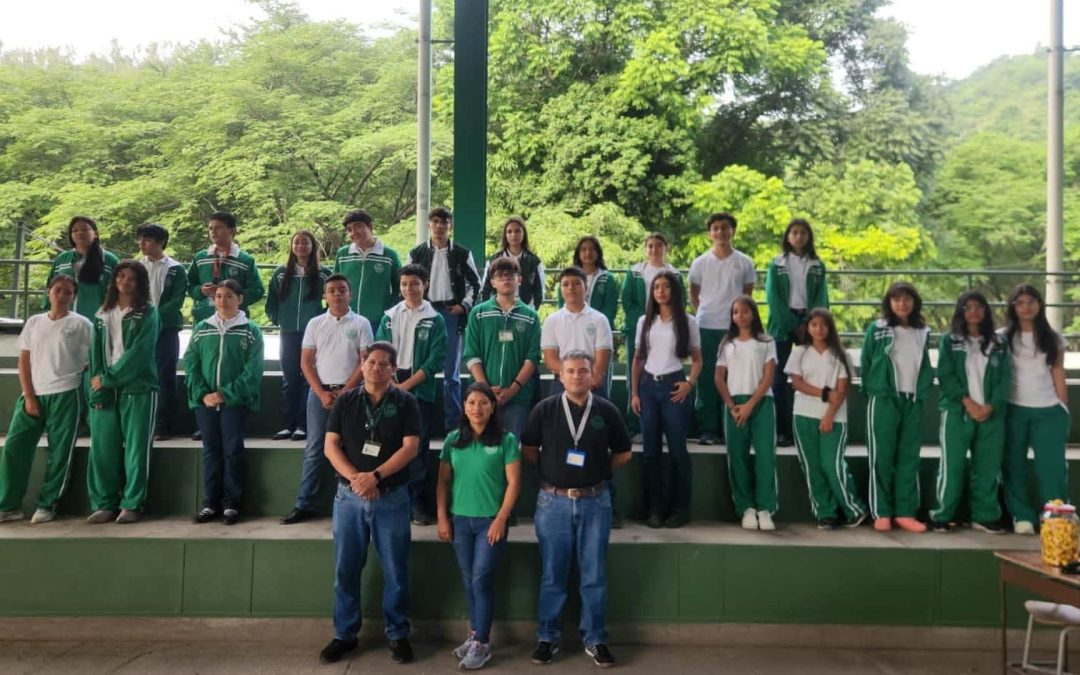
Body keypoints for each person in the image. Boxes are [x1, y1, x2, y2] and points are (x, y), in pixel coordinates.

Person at [521, 351, 631, 668]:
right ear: (560, 376)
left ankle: (595, 639)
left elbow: (623, 454)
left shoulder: (607, 411)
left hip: (595, 501)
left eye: (583, 371)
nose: (577, 376)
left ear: (593, 375)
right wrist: (554, 472)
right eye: (570, 371)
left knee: (594, 575)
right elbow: (529, 449)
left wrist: (597, 473)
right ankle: (547, 637)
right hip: (552, 502)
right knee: (552, 573)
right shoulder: (545, 409)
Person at [318, 342, 421, 666]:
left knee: (396, 570)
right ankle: (345, 634)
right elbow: (330, 446)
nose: (376, 368)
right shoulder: (346, 401)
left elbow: (411, 448)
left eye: (383, 364)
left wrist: (374, 476)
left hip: (391, 497)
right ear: (362, 365)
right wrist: (356, 480)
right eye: (371, 362)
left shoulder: (406, 402)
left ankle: (397, 633)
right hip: (348, 499)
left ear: (393, 369)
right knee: (345, 569)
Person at [436, 383, 521, 670]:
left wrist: (500, 519)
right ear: (464, 406)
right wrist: (442, 517)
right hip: (460, 521)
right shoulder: (453, 440)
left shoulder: (506, 440)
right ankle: (473, 635)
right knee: (468, 578)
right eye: (471, 402)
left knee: (480, 580)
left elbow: (514, 484)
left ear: (493, 406)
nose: (477, 408)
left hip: (490, 523)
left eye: (483, 402)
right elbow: (443, 483)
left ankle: (482, 643)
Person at [280, 274, 372, 525]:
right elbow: (305, 362)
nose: (337, 294)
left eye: (342, 290)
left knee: (354, 446)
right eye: (331, 290)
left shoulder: (362, 323)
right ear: (325, 296)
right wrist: (321, 392)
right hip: (319, 394)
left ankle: (356, 501)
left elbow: (365, 361)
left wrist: (346, 392)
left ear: (350, 294)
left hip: (353, 394)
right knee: (314, 448)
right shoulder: (315, 323)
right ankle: (304, 503)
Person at [0, 275, 90, 524]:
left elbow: (93, 357)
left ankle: (47, 504)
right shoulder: (34, 322)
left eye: (68, 292)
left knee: (60, 453)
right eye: (57, 290)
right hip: (33, 394)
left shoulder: (82, 324)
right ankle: (9, 505)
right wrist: (29, 395)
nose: (62, 295)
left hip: (66, 393)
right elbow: (24, 360)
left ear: (74, 296)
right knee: (14, 449)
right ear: (48, 292)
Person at [185, 279, 264, 526]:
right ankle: (210, 503)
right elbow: (191, 363)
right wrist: (203, 394)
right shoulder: (201, 328)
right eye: (218, 296)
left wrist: (226, 394)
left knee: (232, 450)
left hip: (234, 403)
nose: (222, 300)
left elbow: (253, 371)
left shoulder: (250, 330)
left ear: (239, 299)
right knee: (211, 451)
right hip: (204, 403)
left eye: (229, 296)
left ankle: (232, 503)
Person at [86, 261, 160, 525]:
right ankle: (104, 503)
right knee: (103, 449)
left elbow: (141, 353)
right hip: (104, 390)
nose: (125, 281)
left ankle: (131, 504)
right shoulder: (101, 314)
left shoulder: (148, 313)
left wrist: (110, 379)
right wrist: (98, 388)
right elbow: (95, 355)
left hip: (138, 388)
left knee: (136, 450)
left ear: (140, 283)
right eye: (121, 276)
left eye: (131, 278)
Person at [930, 292, 1010, 534]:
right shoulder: (949, 340)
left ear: (986, 311)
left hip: (991, 415)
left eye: (978, 307)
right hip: (958, 412)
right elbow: (945, 375)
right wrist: (968, 403)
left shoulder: (998, 342)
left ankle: (984, 516)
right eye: (968, 307)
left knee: (987, 468)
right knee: (952, 466)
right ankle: (943, 514)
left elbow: (1005, 378)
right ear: (960, 311)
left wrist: (991, 406)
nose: (973, 311)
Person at [375, 264, 448, 526]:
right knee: (388, 443)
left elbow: (435, 360)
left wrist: (406, 386)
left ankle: (417, 501)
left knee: (417, 447)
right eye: (404, 284)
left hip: (419, 388)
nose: (409, 288)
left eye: (414, 283)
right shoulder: (389, 316)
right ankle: (391, 499)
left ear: (425, 285)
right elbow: (380, 350)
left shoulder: (435, 319)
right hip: (390, 385)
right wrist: (392, 383)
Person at [630, 270, 702, 529]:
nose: (660, 291)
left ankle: (680, 508)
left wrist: (689, 383)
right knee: (650, 451)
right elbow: (637, 359)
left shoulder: (688, 321)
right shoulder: (644, 321)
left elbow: (697, 359)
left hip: (674, 386)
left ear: (674, 290)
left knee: (677, 450)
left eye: (666, 286)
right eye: (656, 286)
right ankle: (654, 509)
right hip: (648, 386)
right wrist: (635, 393)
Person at [784, 308, 867, 530]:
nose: (819, 329)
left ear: (830, 328)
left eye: (823, 325)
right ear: (808, 328)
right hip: (803, 415)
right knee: (812, 466)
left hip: (833, 418)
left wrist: (829, 416)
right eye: (814, 325)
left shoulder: (841, 355)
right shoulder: (799, 352)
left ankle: (854, 509)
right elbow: (797, 383)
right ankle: (825, 513)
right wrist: (823, 393)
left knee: (832, 465)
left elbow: (840, 391)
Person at [860, 281, 932, 534]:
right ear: (889, 303)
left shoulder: (923, 331)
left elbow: (923, 364)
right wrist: (874, 389)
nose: (902, 303)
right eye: (896, 299)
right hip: (884, 399)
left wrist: (922, 391)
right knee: (882, 456)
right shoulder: (878, 329)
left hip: (912, 400)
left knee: (908, 458)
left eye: (907, 299)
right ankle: (882, 512)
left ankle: (905, 512)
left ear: (914, 302)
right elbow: (867, 360)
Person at [1000, 284, 1069, 535]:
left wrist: (1063, 408)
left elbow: (1058, 372)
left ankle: (1055, 515)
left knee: (1052, 467)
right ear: (1013, 307)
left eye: (1031, 301)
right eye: (1020, 302)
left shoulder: (1054, 338)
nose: (1025, 307)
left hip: (1048, 410)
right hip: (1013, 409)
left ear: (1039, 305)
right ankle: (1022, 516)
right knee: (1013, 465)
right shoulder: (1002, 337)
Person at [408, 206, 482, 430]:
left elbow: (476, 284)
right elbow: (407, 281)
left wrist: (464, 306)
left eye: (444, 222)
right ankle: (418, 424)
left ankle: (454, 426)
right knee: (419, 368)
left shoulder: (461, 253)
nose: (439, 226)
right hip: (424, 314)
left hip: (451, 314)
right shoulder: (416, 253)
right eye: (435, 222)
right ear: (429, 225)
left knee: (452, 373)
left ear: (450, 226)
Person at [689, 212, 757, 446]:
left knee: (734, 378)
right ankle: (708, 429)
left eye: (725, 228)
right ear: (710, 234)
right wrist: (702, 312)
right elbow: (693, 293)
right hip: (706, 326)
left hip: (735, 328)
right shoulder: (700, 263)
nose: (720, 232)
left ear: (733, 231)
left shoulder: (744, 262)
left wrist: (738, 319)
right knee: (707, 378)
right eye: (715, 228)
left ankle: (732, 426)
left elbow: (747, 293)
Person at [715, 296, 779, 531]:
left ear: (753, 313)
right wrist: (732, 405)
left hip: (761, 401)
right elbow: (719, 378)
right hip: (734, 404)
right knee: (737, 456)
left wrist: (751, 404)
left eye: (744, 311)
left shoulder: (766, 341)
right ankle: (746, 508)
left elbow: (769, 376)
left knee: (765, 455)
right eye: (735, 312)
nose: (739, 316)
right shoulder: (727, 344)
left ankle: (765, 508)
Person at [463, 256, 541, 442]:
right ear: (492, 282)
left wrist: (513, 389)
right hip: (481, 398)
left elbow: (532, 358)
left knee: (513, 451)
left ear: (519, 280)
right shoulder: (479, 313)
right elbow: (471, 354)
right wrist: (486, 390)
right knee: (481, 449)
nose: (506, 278)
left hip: (518, 398)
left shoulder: (531, 317)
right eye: (500, 275)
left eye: (511, 275)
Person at [765, 218, 828, 448]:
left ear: (809, 236)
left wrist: (810, 324)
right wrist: (793, 324)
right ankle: (782, 431)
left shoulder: (818, 265)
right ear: (787, 236)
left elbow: (822, 299)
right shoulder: (777, 264)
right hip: (783, 325)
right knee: (779, 378)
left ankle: (812, 429)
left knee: (813, 375)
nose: (798, 236)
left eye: (803, 232)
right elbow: (773, 299)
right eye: (794, 232)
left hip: (811, 325)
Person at [266, 230, 332, 441]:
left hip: (313, 336)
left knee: (310, 379)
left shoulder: (323, 273)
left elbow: (330, 302)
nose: (301, 246)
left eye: (305, 242)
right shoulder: (279, 273)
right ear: (292, 246)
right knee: (290, 379)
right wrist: (280, 319)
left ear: (312, 246)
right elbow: (271, 304)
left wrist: (320, 323)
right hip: (288, 333)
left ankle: (304, 425)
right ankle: (288, 424)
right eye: (297, 242)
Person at [620, 233, 681, 439]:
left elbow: (679, 300)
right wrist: (647, 321)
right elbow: (627, 301)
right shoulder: (635, 272)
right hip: (641, 328)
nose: (654, 250)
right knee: (635, 377)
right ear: (645, 249)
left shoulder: (674, 274)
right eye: (650, 246)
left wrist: (661, 319)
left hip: (666, 330)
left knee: (666, 374)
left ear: (667, 248)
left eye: (659, 246)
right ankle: (635, 425)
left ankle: (663, 428)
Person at [137, 223, 188, 441]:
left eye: (147, 239)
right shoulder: (136, 266)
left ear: (160, 242)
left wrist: (153, 317)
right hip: (138, 329)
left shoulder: (175, 269)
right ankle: (141, 421)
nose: (142, 244)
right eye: (140, 239)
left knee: (164, 375)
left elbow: (176, 300)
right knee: (140, 374)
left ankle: (163, 424)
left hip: (165, 329)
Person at [542, 267, 613, 398]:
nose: (571, 288)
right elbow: (551, 360)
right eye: (566, 284)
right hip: (561, 384)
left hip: (592, 383)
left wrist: (587, 378)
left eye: (576, 283)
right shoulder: (551, 320)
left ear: (586, 287)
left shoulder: (600, 319)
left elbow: (601, 360)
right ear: (561, 289)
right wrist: (572, 377)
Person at [187, 211, 265, 324]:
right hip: (204, 317)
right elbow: (190, 285)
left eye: (218, 228)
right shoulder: (200, 258)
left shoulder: (245, 260)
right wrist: (201, 290)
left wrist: (232, 296)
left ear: (232, 231)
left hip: (235, 320)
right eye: (210, 228)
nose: (213, 232)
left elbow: (257, 290)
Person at [332, 209, 402, 330]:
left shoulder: (389, 256)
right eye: (349, 229)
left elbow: (399, 287)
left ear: (370, 227)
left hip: (378, 321)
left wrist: (390, 312)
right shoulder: (343, 255)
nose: (354, 232)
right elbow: (334, 286)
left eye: (358, 227)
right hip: (347, 319)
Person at [46, 216, 119, 320]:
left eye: (84, 229)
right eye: (74, 231)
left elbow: (119, 292)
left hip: (98, 320)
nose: (79, 233)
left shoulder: (109, 260)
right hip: (64, 320)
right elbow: (50, 287)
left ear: (96, 233)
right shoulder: (62, 259)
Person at [480, 216, 545, 309]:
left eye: (518, 231)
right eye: (509, 231)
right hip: (498, 310)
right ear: (505, 235)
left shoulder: (534, 261)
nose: (513, 235)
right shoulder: (494, 260)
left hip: (525, 310)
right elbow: (485, 289)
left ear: (524, 233)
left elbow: (539, 291)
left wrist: (532, 310)